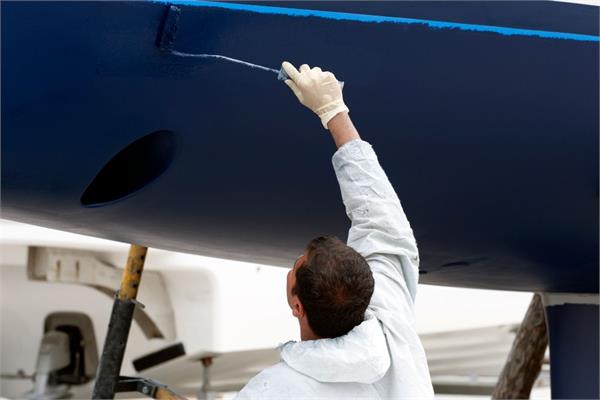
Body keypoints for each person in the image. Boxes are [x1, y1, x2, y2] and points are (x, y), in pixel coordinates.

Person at [236, 62, 433, 399]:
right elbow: (381, 215)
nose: (293, 263)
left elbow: (382, 218)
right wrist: (333, 111)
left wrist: (333, 112)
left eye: (296, 266)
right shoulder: (392, 327)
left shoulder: (273, 391)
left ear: (298, 307)